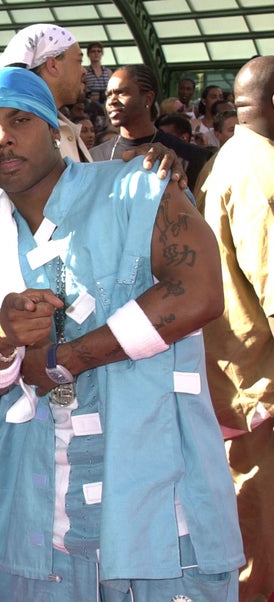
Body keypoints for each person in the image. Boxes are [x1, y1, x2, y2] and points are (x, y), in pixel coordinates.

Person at [0, 66, 243, 600]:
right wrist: (1, 335)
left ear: (54, 128)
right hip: (46, 511)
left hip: (161, 495)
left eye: (19, 119)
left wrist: (69, 356)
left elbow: (201, 292)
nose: (2, 138)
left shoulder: (135, 189)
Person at [198, 55, 274, 602]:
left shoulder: (227, 158)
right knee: (259, 543)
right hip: (257, 382)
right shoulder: (261, 171)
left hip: (231, 378)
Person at [0, 24, 91, 200]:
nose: (84, 71)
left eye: (21, 121)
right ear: (53, 65)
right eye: (79, 61)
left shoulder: (65, 126)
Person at [92, 64, 212, 186]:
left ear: (148, 98)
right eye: (108, 95)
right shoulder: (94, 156)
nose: (112, 101)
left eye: (121, 93)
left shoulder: (189, 157)